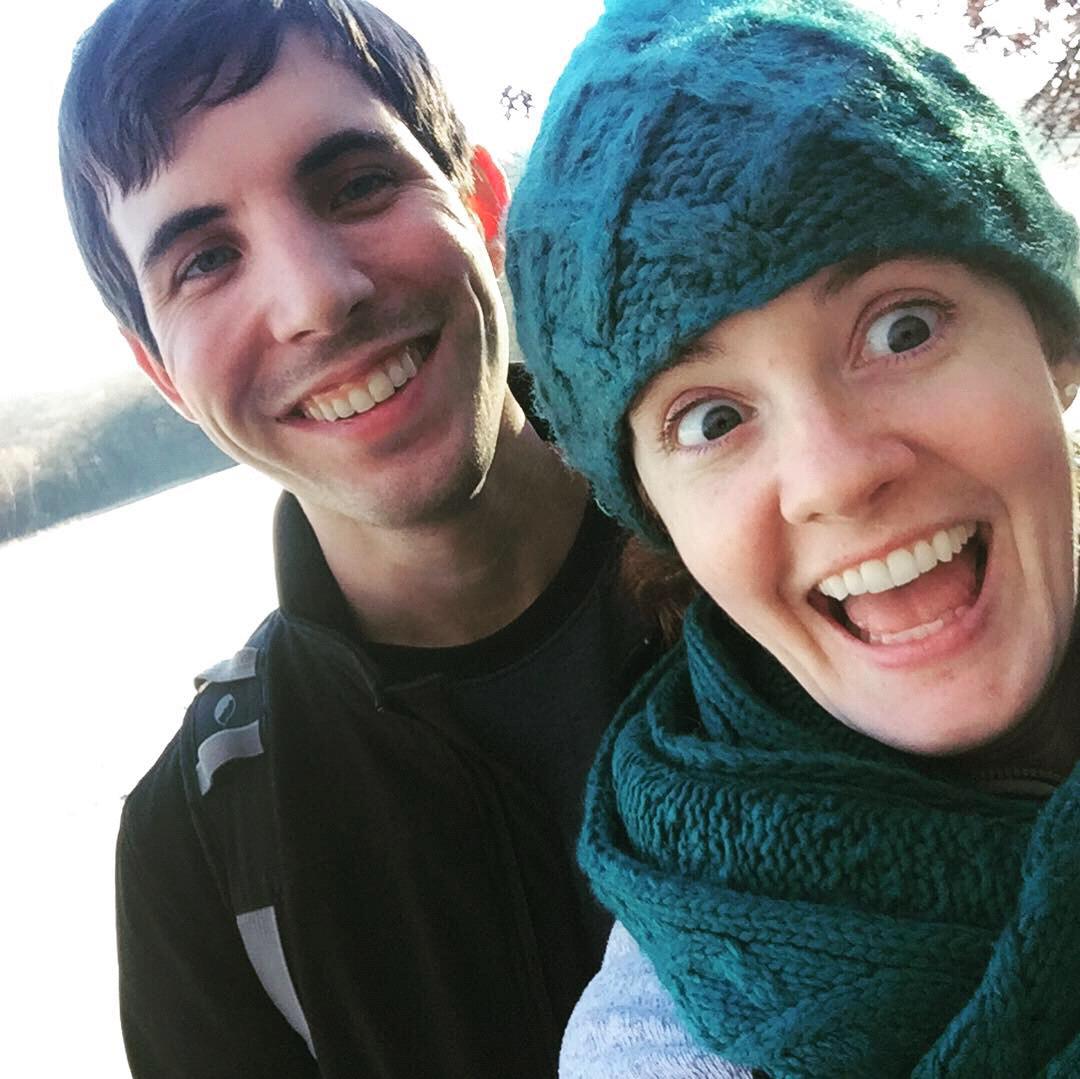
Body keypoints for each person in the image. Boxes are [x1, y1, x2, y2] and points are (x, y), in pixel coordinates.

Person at [58, 1, 656, 1075]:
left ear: (481, 199)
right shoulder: (199, 849)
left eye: (356, 183)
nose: (315, 298)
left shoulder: (781, 546)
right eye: (204, 259)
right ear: (163, 375)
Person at [506, 0, 1080, 1075]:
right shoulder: (656, 1051)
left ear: (1052, 339)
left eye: (901, 326)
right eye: (713, 417)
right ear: (658, 515)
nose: (835, 476)